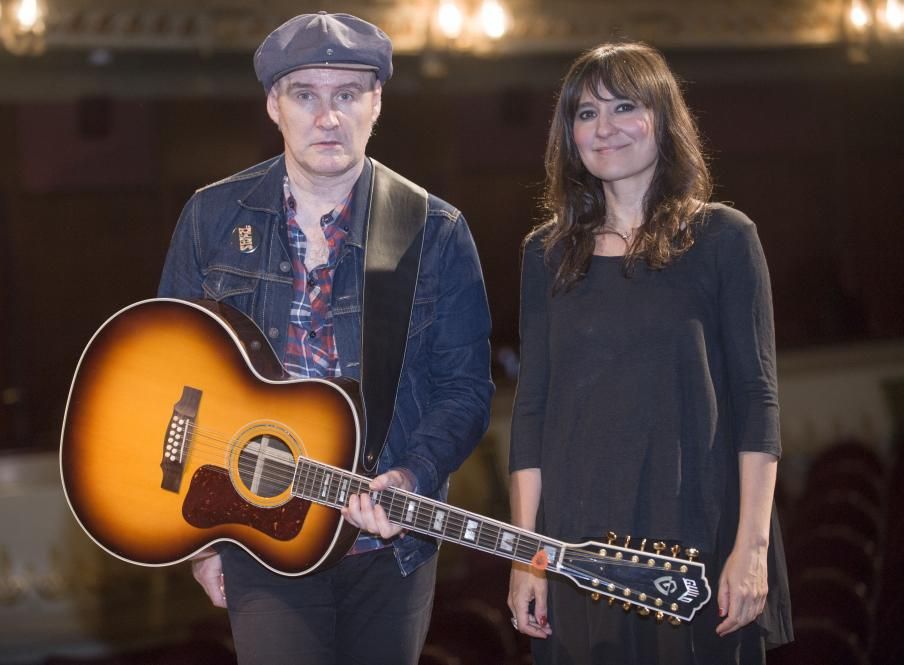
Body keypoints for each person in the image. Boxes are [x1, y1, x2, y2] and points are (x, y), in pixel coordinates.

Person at [156, 12, 493, 665]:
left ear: (377, 104)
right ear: (273, 105)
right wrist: (195, 539)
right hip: (256, 531)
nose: (327, 116)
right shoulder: (212, 217)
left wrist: (411, 472)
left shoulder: (436, 231)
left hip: (388, 549)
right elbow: (165, 374)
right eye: (305, 94)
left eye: (347, 94)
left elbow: (466, 387)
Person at [506, 42, 793, 664]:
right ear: (569, 135)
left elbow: (757, 400)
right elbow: (531, 411)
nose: (603, 128)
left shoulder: (724, 238)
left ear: (663, 119)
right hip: (575, 543)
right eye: (585, 114)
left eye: (624, 107)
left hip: (696, 533)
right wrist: (526, 557)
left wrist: (752, 547)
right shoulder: (545, 253)